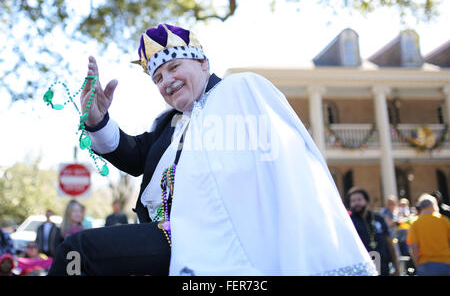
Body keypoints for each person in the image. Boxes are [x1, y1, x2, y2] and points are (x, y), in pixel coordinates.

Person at [49, 24, 376, 276]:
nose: (166, 81)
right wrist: (98, 120)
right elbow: (135, 157)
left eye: (174, 67)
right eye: (158, 77)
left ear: (204, 63)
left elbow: (280, 165)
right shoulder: (168, 124)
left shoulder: (239, 92)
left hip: (197, 235)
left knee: (76, 252)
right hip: (160, 234)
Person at [348, 187, 400, 276]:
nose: (356, 203)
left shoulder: (378, 219)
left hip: (383, 269)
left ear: (366, 201)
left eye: (359, 200)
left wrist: (397, 268)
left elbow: (389, 243)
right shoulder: (348, 222)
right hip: (361, 271)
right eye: (353, 201)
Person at [407, 193, 450, 276]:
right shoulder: (444, 220)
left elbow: (414, 247)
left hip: (425, 265)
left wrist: (418, 265)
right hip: (446, 263)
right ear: (434, 205)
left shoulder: (415, 223)